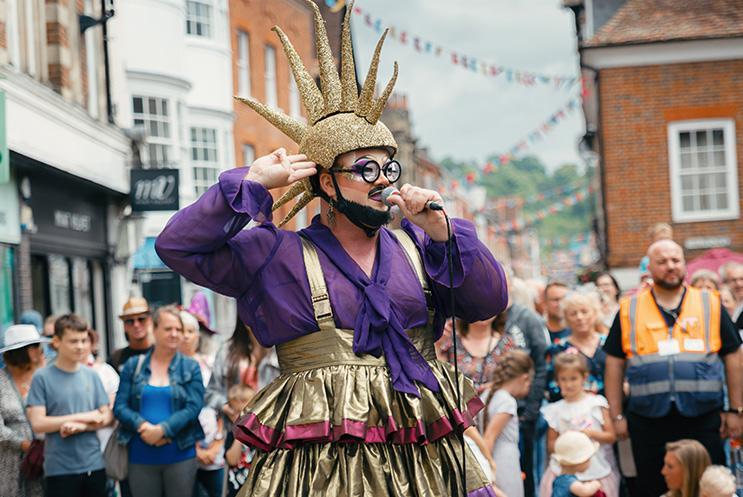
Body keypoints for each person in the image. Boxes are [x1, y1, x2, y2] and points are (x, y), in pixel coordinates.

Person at [154, 3, 507, 495]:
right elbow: (177, 247)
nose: (382, 181)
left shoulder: (417, 244)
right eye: (365, 169)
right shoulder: (273, 254)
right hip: (321, 468)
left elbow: (489, 302)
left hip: (425, 455)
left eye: (389, 168)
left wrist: (448, 234)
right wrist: (249, 185)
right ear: (327, 183)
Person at [603, 240, 743, 497]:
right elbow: (613, 363)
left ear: (684, 264)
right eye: (663, 261)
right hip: (648, 419)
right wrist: (617, 416)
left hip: (703, 416)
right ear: (650, 267)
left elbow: (733, 356)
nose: (670, 266)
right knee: (653, 487)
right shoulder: (629, 308)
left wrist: (735, 410)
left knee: (708, 486)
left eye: (676, 260)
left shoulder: (709, 304)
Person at [112, 306, 204, 497]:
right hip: (140, 454)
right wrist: (143, 426)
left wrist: (163, 429)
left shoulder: (191, 367)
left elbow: (194, 406)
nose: (174, 334)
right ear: (154, 330)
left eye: (178, 329)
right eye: (168, 329)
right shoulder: (133, 366)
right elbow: (120, 407)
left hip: (180, 453)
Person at [27, 314, 112, 497]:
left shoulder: (92, 375)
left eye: (83, 340)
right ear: (56, 342)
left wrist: (80, 426)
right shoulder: (42, 378)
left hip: (94, 465)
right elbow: (38, 423)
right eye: (73, 341)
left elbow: (106, 417)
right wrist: (86, 416)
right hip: (59, 469)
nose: (80, 346)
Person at [540, 353, 619, 497]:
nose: (568, 384)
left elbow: (611, 436)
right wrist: (567, 440)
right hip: (565, 471)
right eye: (563, 379)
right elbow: (550, 445)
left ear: (584, 377)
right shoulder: (555, 410)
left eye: (573, 379)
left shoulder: (595, 404)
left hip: (594, 469)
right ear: (557, 381)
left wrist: (590, 434)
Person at [179, 311, 224, 497]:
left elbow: (222, 403)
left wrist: (218, 442)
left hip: (215, 449)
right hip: (184, 450)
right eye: (182, 330)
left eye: (191, 331)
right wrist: (195, 450)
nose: (186, 336)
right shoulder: (169, 368)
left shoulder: (211, 364)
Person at [479, 350, 534, 497]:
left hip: (495, 461)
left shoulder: (487, 394)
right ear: (525, 378)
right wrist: (487, 470)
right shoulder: (507, 401)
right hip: (504, 464)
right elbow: (489, 437)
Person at [0, 324, 46, 497]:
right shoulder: (1, 381)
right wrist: (26, 445)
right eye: (33, 347)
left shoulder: (44, 376)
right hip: (10, 460)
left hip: (45, 457)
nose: (39, 350)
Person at [545, 291, 607, 402]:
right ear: (566, 318)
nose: (579, 317)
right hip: (575, 412)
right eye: (573, 314)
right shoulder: (558, 349)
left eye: (584, 311)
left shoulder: (609, 342)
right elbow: (552, 387)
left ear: (595, 313)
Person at [438, 313, 518, 392]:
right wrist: (438, 344)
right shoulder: (449, 340)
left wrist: (494, 388)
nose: (483, 309)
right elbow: (438, 374)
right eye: (477, 303)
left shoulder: (508, 344)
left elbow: (514, 382)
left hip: (495, 403)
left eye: (489, 304)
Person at [224, 384, 256, 497]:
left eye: (245, 413)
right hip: (236, 489)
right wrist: (240, 432)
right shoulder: (232, 434)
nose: (241, 417)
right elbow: (232, 460)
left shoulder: (261, 434)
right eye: (237, 413)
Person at [550, 431, 604, 497]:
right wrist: (595, 484)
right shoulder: (567, 481)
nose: (590, 462)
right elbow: (585, 491)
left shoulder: (561, 479)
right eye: (588, 459)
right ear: (578, 463)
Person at [109, 297, 153, 373]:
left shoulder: (161, 353)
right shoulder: (116, 359)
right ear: (124, 326)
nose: (136, 325)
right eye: (130, 321)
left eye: (141, 319)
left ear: (149, 321)